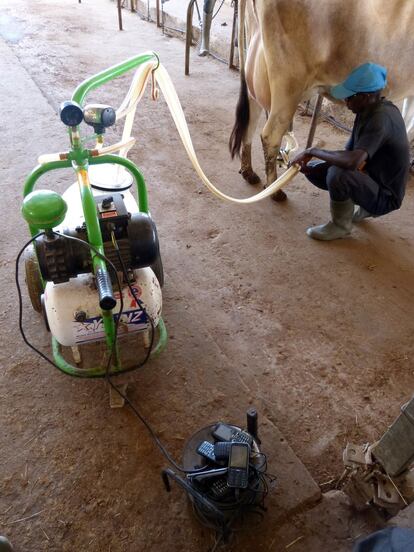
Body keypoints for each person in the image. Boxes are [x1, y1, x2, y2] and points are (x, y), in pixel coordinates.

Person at [291, 62, 410, 241]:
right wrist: (315, 160)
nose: (346, 102)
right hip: (372, 178)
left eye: (349, 97)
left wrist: (313, 150)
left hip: (386, 196)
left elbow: (352, 161)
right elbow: (349, 152)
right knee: (316, 169)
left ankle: (341, 225)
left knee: (338, 174)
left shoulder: (381, 119)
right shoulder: (366, 110)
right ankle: (362, 206)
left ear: (367, 96)